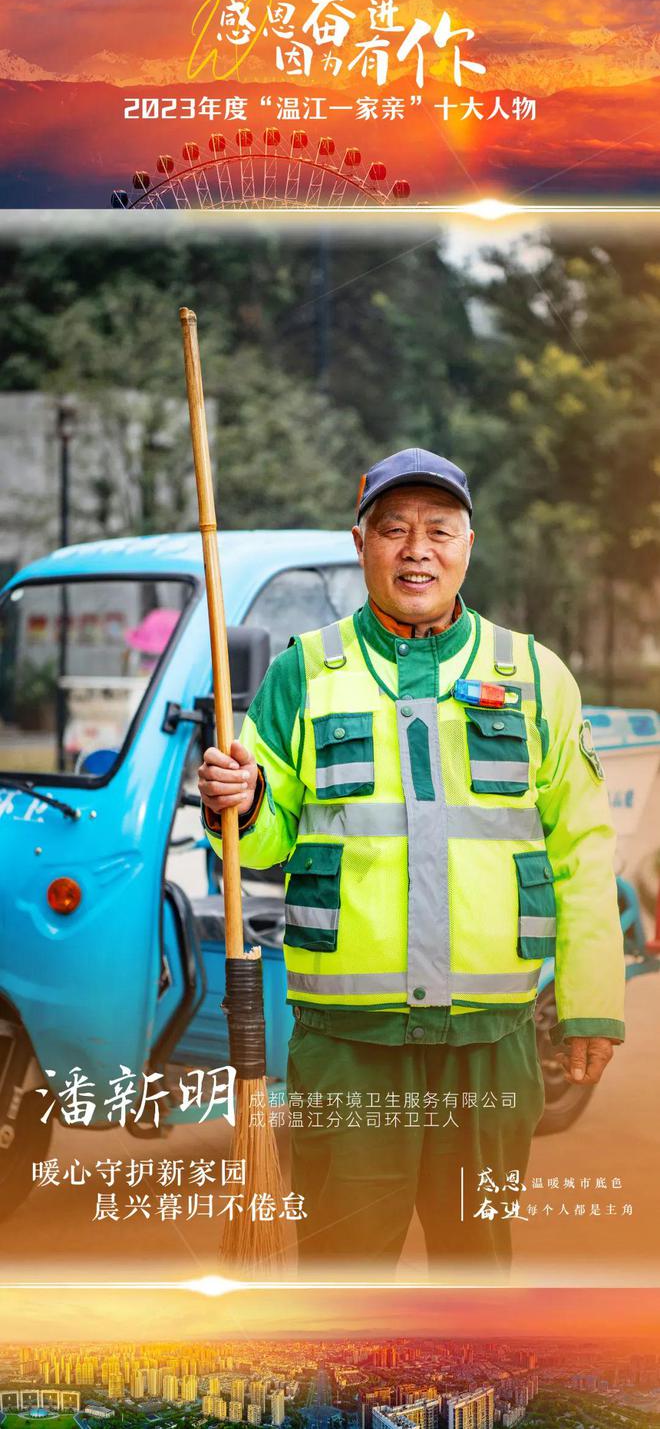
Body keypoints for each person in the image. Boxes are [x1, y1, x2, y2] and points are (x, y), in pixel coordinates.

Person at [199, 447, 625, 1277]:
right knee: (344, 1270)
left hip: (490, 1039)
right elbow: (270, 832)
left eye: (438, 529)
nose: (416, 549)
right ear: (360, 543)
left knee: (476, 1268)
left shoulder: (535, 676)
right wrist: (243, 797)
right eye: (393, 529)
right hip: (347, 1046)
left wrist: (592, 1003)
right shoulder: (303, 673)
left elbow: (581, 849)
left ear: (470, 543)